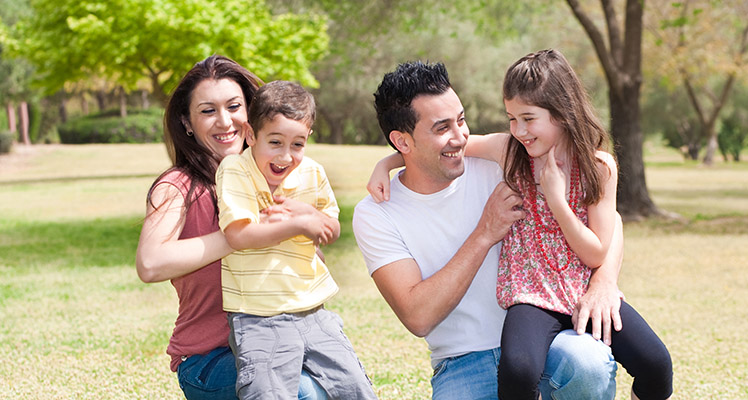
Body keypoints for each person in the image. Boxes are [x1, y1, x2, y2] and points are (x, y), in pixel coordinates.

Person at [354, 60, 622, 399]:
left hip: (553, 339)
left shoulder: (501, 162)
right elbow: (418, 317)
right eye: (442, 128)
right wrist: (485, 232)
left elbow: (603, 217)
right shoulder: (378, 213)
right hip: (463, 362)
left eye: (461, 120)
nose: (460, 136)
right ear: (401, 141)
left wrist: (604, 281)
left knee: (586, 364)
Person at [461, 49, 673, 400]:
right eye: (512, 118)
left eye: (529, 118)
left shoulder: (599, 167)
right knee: (518, 370)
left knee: (656, 364)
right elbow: (451, 145)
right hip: (531, 295)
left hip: (584, 293)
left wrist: (557, 200)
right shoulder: (510, 151)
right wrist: (390, 160)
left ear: (562, 113)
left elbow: (595, 253)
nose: (519, 130)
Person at [135, 55, 326, 400]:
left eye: (234, 106)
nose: (225, 122)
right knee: (305, 393)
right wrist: (243, 234)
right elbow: (150, 263)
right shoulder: (178, 185)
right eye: (208, 111)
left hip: (284, 343)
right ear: (188, 122)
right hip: (211, 358)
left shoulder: (278, 178)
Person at [215, 80, 377, 400]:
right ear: (251, 135)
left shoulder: (312, 173)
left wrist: (308, 216)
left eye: (298, 144)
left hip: (314, 312)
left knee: (355, 389)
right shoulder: (236, 170)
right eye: (275, 142)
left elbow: (331, 230)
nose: (286, 156)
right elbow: (238, 234)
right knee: (267, 393)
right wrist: (299, 224)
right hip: (258, 316)